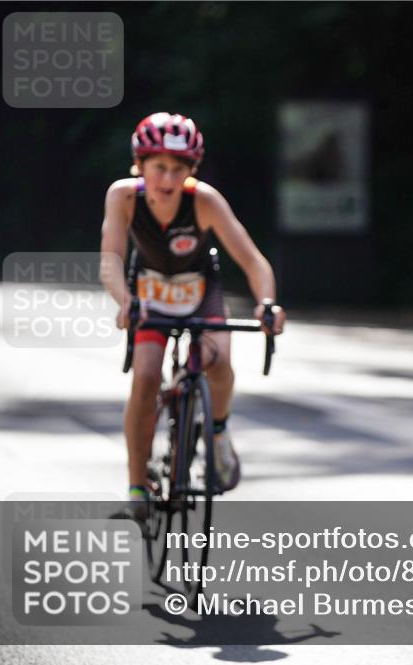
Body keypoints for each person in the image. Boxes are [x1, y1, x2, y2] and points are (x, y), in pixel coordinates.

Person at [101, 112, 285, 520]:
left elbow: (254, 262)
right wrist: (125, 300)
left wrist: (267, 303)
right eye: (159, 167)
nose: (168, 179)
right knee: (146, 375)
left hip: (201, 292)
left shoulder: (204, 200)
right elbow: (110, 260)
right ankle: (136, 487)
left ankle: (217, 435)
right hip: (149, 293)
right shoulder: (123, 196)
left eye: (178, 169)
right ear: (140, 166)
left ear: (191, 170)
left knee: (218, 360)